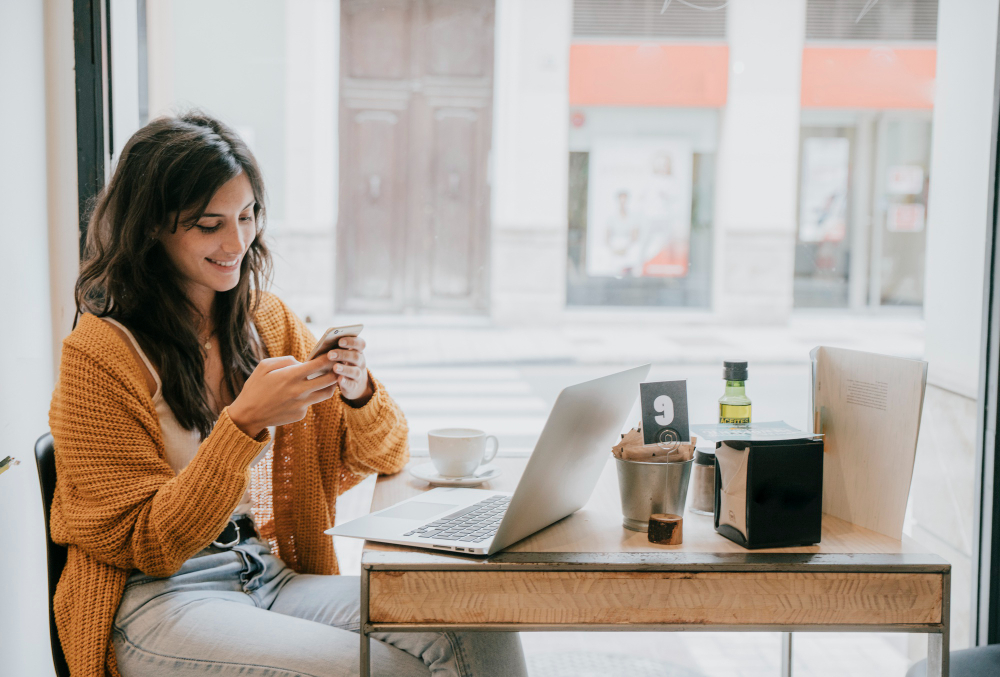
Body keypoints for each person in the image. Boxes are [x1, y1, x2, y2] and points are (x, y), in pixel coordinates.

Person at [47, 112, 528, 677]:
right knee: (395, 671)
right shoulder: (98, 355)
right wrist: (243, 426)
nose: (236, 241)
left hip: (262, 572)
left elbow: (386, 454)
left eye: (247, 216)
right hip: (158, 598)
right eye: (209, 224)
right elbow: (150, 545)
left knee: (475, 618)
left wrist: (356, 391)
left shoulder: (264, 322)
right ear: (153, 225)